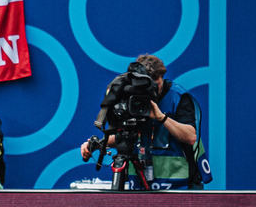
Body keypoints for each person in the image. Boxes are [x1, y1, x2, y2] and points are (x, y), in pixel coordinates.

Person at [80, 54, 208, 189]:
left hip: (178, 188)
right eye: (147, 86)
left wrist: (161, 117)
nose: (151, 91)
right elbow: (126, 135)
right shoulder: (132, 98)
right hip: (140, 186)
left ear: (162, 77)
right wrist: (98, 144)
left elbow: (190, 137)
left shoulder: (178, 98)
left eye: (156, 85)